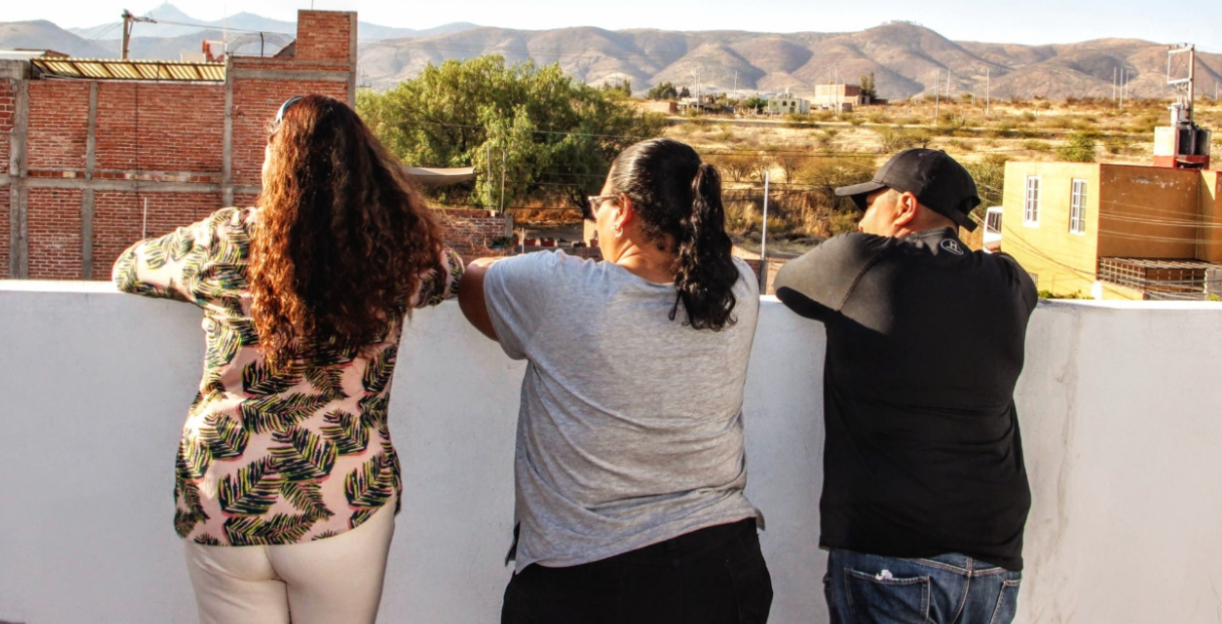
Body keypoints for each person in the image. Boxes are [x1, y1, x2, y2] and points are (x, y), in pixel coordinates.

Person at [113, 95, 464, 624]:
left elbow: (128, 269)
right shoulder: (398, 252)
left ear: (276, 160)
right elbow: (454, 274)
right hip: (340, 496)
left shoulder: (224, 239)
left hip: (223, 494)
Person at [458, 138, 773, 624]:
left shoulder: (557, 289)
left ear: (621, 210)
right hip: (723, 566)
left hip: (588, 579)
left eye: (598, 205)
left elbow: (473, 279)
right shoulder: (738, 287)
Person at [772, 148, 1037, 624]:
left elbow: (788, 283)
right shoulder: (1009, 283)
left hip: (891, 551)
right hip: (994, 556)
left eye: (868, 204)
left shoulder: (859, 261)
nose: (861, 218)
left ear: (905, 206)